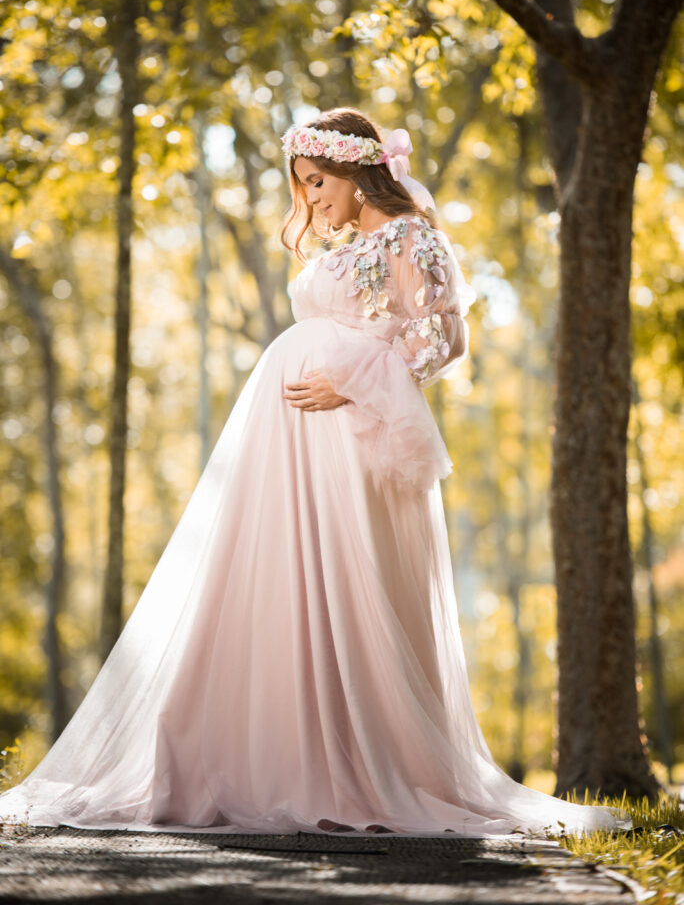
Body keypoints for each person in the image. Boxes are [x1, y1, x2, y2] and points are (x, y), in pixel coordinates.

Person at [0, 107, 628, 839]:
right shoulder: (348, 244)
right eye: (302, 184)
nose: (311, 197)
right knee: (276, 581)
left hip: (349, 440)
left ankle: (355, 760)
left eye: (318, 180)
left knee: (345, 577)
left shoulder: (410, 236)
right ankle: (266, 750)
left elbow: (441, 342)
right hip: (286, 446)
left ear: (357, 172)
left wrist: (351, 383)